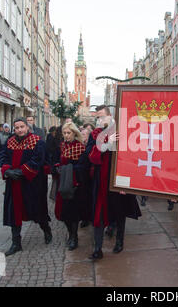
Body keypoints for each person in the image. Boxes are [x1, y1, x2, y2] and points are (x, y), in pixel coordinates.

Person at [86, 105, 141, 260]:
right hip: (100, 179)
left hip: (119, 177)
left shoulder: (122, 132)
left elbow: (130, 157)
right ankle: (98, 248)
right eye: (97, 117)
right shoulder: (95, 134)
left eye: (103, 116)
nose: (100, 119)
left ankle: (119, 241)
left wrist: (126, 182)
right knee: (99, 212)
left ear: (110, 116)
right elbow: (91, 156)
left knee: (119, 211)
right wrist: (106, 144)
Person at [0, 118, 52, 256]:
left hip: (31, 183)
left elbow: (38, 159)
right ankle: (16, 243)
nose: (19, 130)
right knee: (14, 212)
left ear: (27, 127)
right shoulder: (10, 142)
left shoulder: (37, 141)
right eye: (16, 128)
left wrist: (22, 171)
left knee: (37, 210)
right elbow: (2, 156)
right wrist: (7, 169)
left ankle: (46, 230)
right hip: (14, 183)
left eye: (22, 127)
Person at [52, 122, 91, 251]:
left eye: (69, 133)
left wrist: (69, 169)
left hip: (75, 185)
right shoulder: (62, 145)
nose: (66, 135)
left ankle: (74, 237)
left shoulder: (80, 147)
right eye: (64, 133)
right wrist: (57, 167)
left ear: (74, 133)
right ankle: (70, 234)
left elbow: (83, 167)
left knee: (73, 213)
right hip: (63, 183)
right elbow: (57, 160)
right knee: (64, 213)